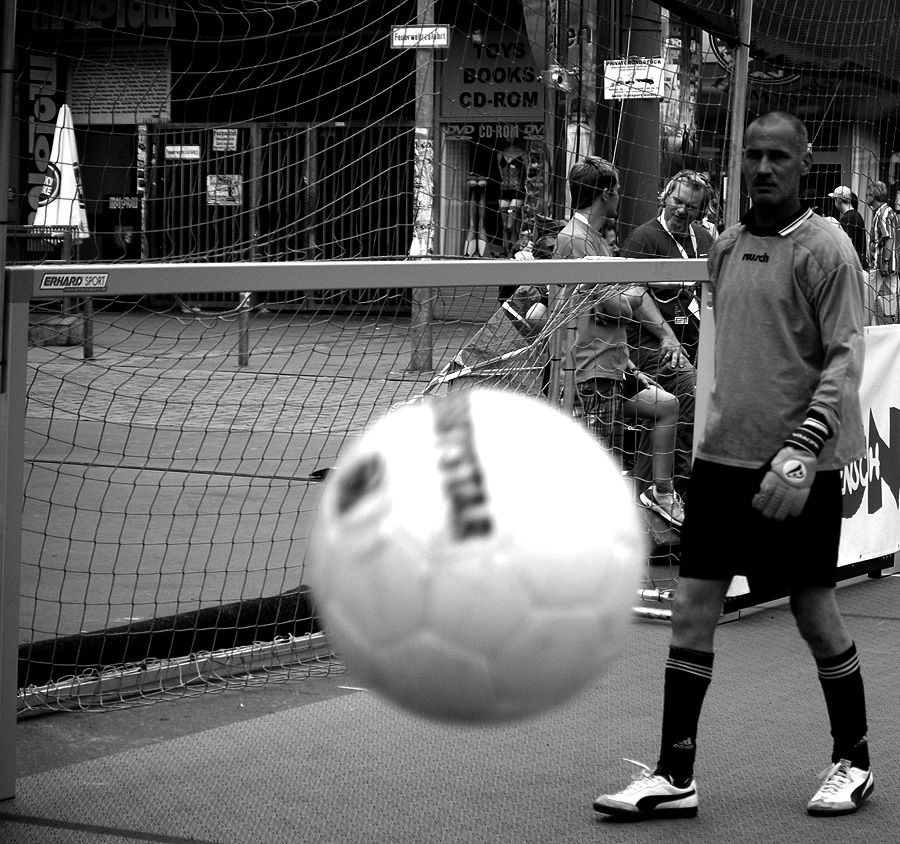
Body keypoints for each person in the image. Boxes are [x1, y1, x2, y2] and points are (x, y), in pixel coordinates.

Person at [593, 111, 871, 820]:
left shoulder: (829, 250)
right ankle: (675, 773)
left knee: (813, 612)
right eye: (754, 155)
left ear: (804, 165)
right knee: (692, 611)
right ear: (740, 164)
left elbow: (844, 359)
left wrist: (803, 449)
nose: (765, 167)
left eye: (779, 156)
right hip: (720, 460)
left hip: (796, 466)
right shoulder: (724, 247)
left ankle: (853, 759)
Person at [554, 156, 685, 527]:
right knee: (600, 470)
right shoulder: (576, 240)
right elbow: (615, 305)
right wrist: (627, 301)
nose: (620, 197)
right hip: (588, 370)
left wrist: (628, 357)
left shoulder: (597, 239)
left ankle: (660, 492)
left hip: (613, 363)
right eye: (616, 190)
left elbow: (620, 300)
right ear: (603, 194)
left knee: (667, 405)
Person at [619, 170, 716, 500]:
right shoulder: (643, 239)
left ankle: (647, 487)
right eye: (677, 201)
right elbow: (633, 293)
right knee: (688, 384)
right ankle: (679, 489)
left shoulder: (703, 239)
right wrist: (666, 336)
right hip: (645, 344)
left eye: (691, 206)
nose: (682, 210)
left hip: (694, 339)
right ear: (664, 197)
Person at [865, 179, 898, 324]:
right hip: (890, 266)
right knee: (892, 298)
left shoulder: (883, 213)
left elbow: (889, 239)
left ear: (873, 196)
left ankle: (868, 330)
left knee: (868, 299)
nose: (866, 196)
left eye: (868, 193)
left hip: (881, 266)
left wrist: (884, 262)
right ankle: (893, 326)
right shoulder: (886, 211)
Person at [829, 185, 868, 269]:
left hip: (854, 267)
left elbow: (847, 246)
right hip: (861, 264)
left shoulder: (847, 219)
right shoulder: (857, 215)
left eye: (835, 200)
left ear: (838, 200)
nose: (835, 203)